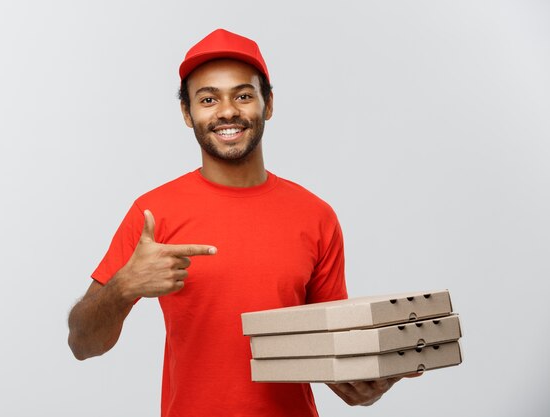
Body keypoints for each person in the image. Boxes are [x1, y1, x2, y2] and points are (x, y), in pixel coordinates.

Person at [68, 28, 410, 417]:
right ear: (187, 113)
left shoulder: (316, 216)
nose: (227, 111)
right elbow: (82, 344)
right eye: (208, 98)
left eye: (243, 95)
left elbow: (331, 355)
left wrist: (364, 384)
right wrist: (123, 287)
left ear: (268, 105)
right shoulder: (153, 214)